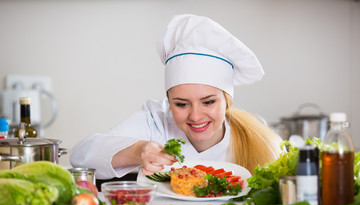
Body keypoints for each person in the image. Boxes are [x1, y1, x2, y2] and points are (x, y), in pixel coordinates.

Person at [70, 14, 283, 179]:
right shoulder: (156, 121)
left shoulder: (258, 142)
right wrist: (139, 151)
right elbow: (81, 156)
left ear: (227, 100)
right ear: (169, 101)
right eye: (181, 104)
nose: (196, 116)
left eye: (208, 102)